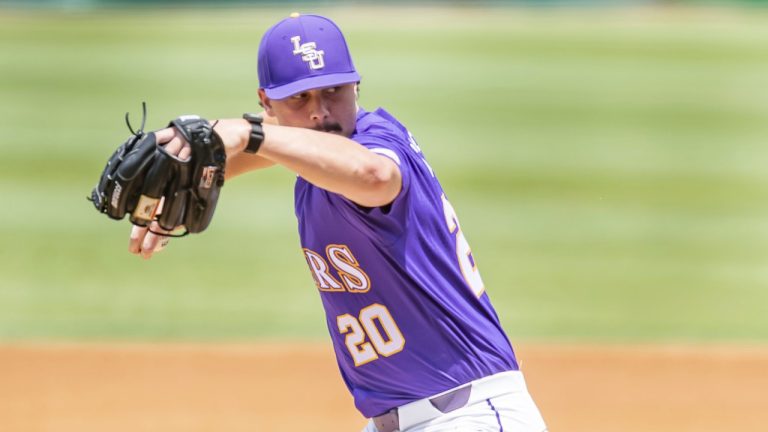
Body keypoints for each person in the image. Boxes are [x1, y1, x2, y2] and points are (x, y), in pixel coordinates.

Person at [129, 13, 548, 432]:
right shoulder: (314, 160)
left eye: (334, 91)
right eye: (300, 99)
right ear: (266, 102)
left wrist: (248, 133)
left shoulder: (377, 144)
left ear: (356, 85)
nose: (321, 112)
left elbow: (374, 176)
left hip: (467, 415)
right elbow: (267, 150)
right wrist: (184, 183)